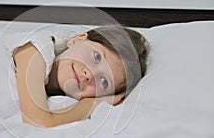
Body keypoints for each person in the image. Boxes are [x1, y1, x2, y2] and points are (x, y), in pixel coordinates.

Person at [12, 24, 149, 128]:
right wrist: (93, 104)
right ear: (78, 39)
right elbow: (39, 123)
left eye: (104, 81)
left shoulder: (54, 97)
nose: (90, 74)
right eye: (97, 56)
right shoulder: (36, 49)